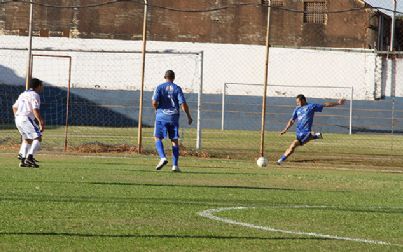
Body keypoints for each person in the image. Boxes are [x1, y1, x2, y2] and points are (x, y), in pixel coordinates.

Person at [277, 94, 345, 165]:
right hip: (298, 133)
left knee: (293, 145)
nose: (297, 104)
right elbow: (292, 120)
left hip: (306, 132)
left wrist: (338, 103)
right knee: (293, 146)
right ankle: (315, 136)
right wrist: (285, 130)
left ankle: (280, 160)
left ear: (303, 100)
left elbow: (325, 105)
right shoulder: (297, 109)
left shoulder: (311, 106)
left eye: (298, 102)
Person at [152, 70, 193, 172]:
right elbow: (183, 104)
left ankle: (163, 158)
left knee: (157, 137)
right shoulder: (177, 88)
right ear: (173, 78)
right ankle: (175, 165)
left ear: (164, 77)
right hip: (173, 117)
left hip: (161, 116)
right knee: (174, 141)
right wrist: (188, 115)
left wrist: (157, 109)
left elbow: (154, 102)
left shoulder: (159, 87)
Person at [12, 78, 45, 168]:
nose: (42, 87)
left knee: (27, 139)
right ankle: (29, 158)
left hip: (18, 118)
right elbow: (35, 109)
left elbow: (14, 107)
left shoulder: (23, 94)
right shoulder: (35, 95)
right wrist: (41, 121)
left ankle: (23, 160)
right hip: (25, 118)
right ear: (38, 86)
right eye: (41, 85)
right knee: (38, 137)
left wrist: (17, 117)